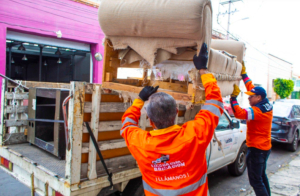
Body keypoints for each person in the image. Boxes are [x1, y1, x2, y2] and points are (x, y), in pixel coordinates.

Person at [120, 43, 224, 196]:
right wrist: (203, 69)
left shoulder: (140, 143)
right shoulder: (194, 135)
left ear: (150, 120)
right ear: (176, 112)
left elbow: (127, 124)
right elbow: (215, 103)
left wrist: (139, 99)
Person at [230, 62, 273, 196]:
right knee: (261, 177)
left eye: (251, 97)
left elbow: (239, 114)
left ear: (258, 98)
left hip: (257, 149)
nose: (248, 98)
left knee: (256, 181)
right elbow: (251, 86)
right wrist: (243, 74)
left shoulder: (258, 110)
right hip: (264, 148)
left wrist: (233, 99)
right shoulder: (264, 103)